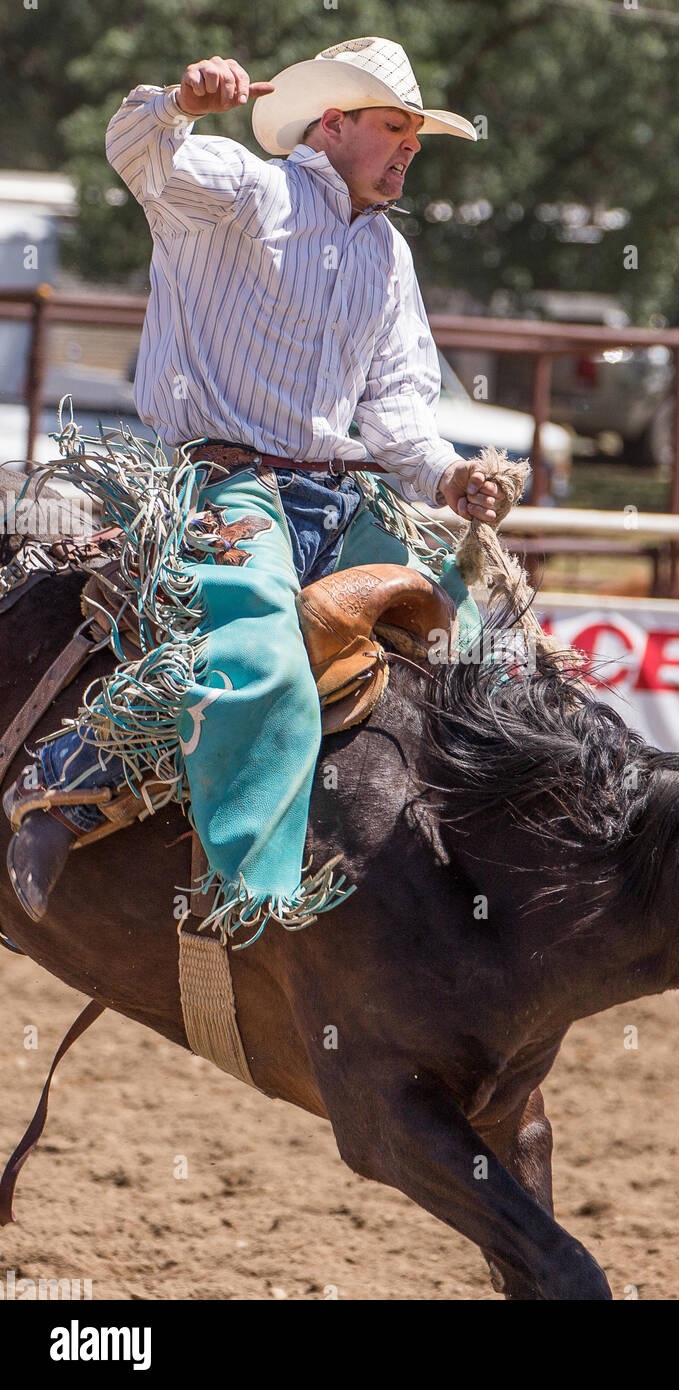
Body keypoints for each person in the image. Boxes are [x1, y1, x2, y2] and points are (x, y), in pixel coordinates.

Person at [6, 37, 507, 938]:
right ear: (335, 124)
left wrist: (451, 474)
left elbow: (397, 410)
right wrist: (179, 105)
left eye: (417, 134)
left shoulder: (388, 256)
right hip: (222, 481)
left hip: (341, 497)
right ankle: (124, 808)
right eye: (397, 126)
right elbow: (137, 155)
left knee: (482, 642)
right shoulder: (245, 190)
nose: (411, 147)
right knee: (259, 652)